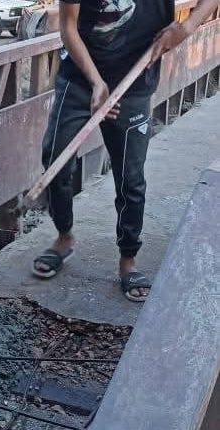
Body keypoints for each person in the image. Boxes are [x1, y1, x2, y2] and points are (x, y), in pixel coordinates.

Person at [32, 0, 219, 301]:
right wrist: (96, 83)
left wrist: (185, 28)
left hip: (135, 81)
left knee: (130, 179)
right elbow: (68, 27)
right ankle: (64, 237)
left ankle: (128, 259)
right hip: (80, 79)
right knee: (55, 160)